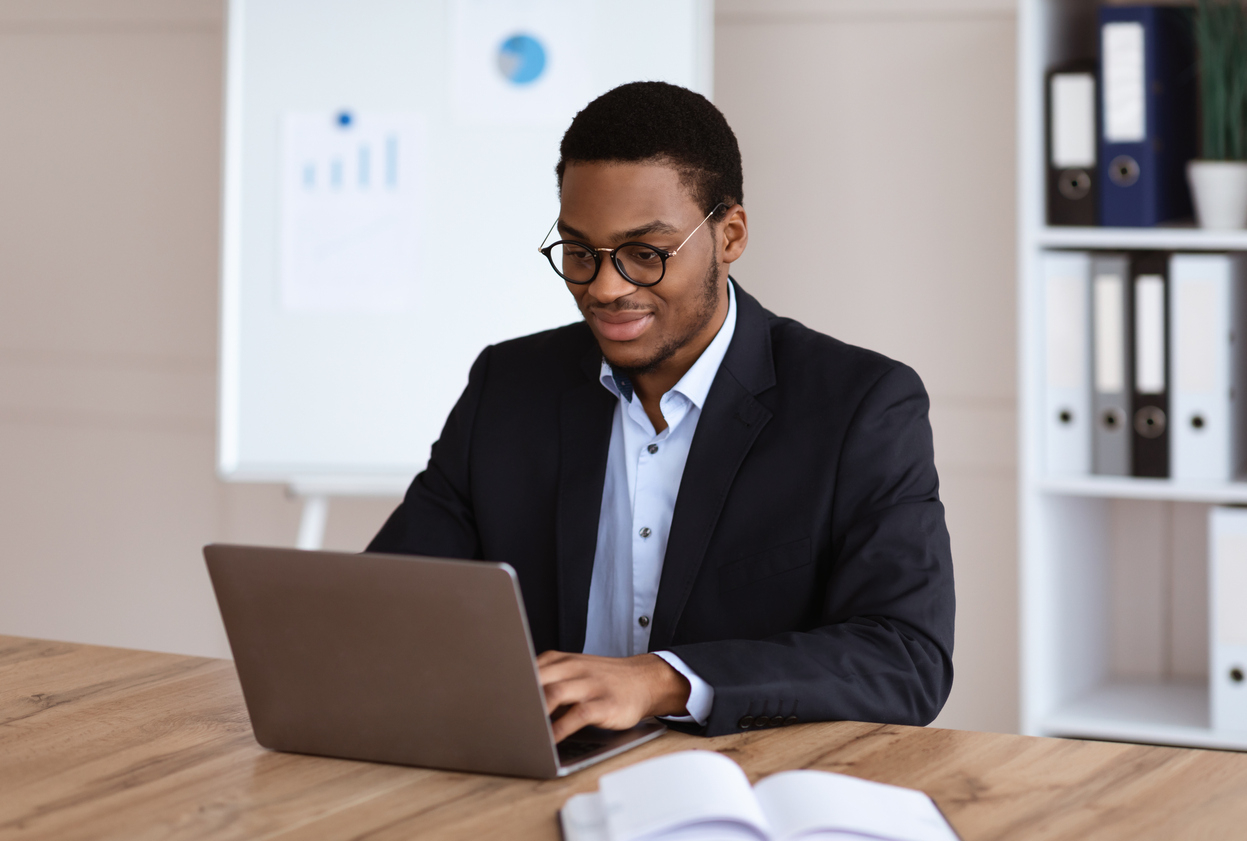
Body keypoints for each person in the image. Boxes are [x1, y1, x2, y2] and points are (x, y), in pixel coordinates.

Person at [368, 81, 955, 740]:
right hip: (535, 774)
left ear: (729, 235)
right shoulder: (508, 385)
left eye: (645, 255)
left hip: (740, 784)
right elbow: (392, 603)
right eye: (580, 253)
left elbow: (905, 659)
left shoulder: (860, 405)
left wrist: (662, 679)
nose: (605, 288)